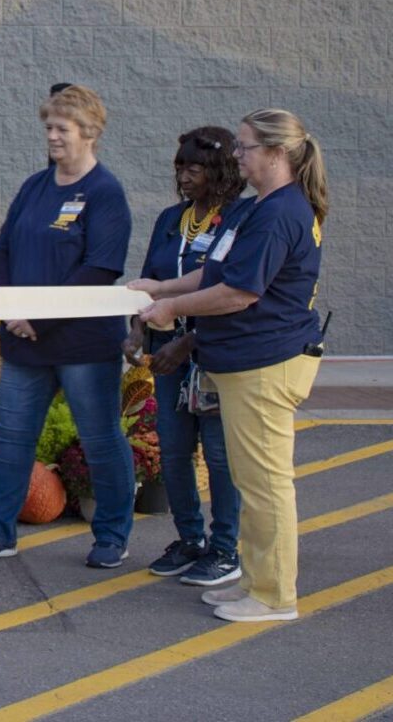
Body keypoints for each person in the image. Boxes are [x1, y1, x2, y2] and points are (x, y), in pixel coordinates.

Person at [135, 109, 327, 623]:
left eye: (244, 147)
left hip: (266, 363)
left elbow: (239, 292)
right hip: (249, 363)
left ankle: (274, 596)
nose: (236, 155)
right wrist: (160, 288)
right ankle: (257, 581)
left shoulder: (280, 213)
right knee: (252, 479)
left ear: (277, 153)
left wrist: (170, 309)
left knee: (264, 485)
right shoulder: (260, 209)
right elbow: (213, 272)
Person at [0, 84, 135, 569]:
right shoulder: (35, 186)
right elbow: (4, 249)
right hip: (25, 341)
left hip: (83, 344)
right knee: (12, 438)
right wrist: (15, 310)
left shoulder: (105, 193)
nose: (52, 137)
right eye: (49, 128)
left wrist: (38, 317)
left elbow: (101, 268)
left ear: (89, 133)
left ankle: (113, 535)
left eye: (61, 129)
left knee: (100, 439)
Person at [121, 127, 244, 588]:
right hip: (167, 358)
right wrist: (136, 329)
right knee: (173, 451)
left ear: (221, 171)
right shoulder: (172, 218)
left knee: (217, 455)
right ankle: (189, 539)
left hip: (211, 355)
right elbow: (151, 279)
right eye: (180, 168)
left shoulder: (238, 220)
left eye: (195, 168)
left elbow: (233, 290)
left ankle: (224, 547)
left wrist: (186, 342)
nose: (185, 177)